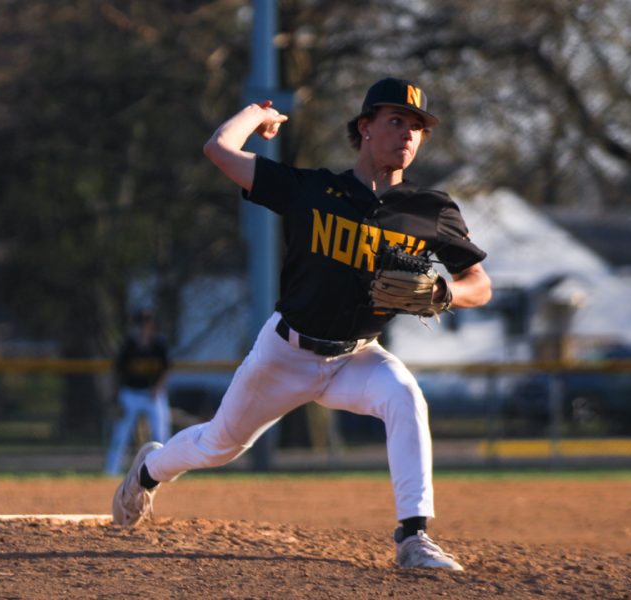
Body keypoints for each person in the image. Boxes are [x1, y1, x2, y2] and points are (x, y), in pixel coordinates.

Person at [112, 77, 492, 571]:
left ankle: (413, 536)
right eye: (396, 120)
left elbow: (479, 284)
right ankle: (147, 471)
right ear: (365, 127)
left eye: (418, 126)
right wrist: (257, 115)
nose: (408, 134)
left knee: (404, 395)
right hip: (284, 354)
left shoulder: (430, 210)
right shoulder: (312, 190)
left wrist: (445, 292)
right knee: (217, 445)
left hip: (356, 355)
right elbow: (219, 150)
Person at [104, 308, 172, 476]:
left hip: (153, 395)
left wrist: (158, 388)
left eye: (148, 323)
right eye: (142, 324)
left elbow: (166, 369)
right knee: (121, 434)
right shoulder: (129, 344)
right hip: (131, 394)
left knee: (161, 434)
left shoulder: (159, 344)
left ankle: (166, 471)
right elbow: (118, 370)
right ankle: (111, 471)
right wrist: (117, 394)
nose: (145, 327)